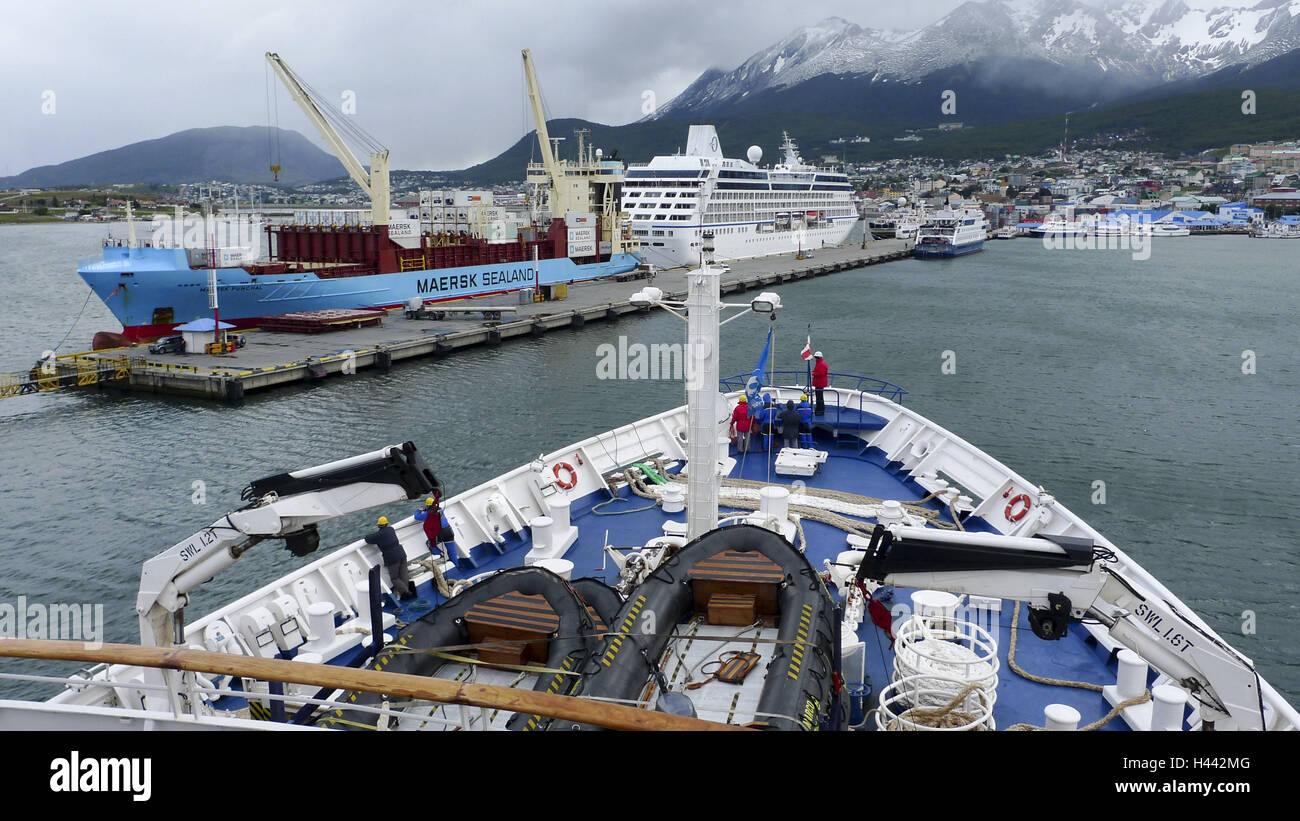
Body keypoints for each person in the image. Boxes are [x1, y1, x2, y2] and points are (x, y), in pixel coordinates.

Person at [365, 515, 415, 601]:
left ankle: (406, 593)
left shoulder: (378, 535)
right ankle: (406, 592)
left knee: (394, 578)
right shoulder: (391, 529)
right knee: (404, 574)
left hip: (392, 558)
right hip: (401, 554)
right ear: (387, 523)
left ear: (378, 525)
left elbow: (368, 539)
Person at [419, 495, 449, 562]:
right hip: (447, 530)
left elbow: (417, 516)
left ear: (428, 505)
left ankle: (440, 557)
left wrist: (419, 510)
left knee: (430, 543)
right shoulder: (440, 510)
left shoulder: (427, 514)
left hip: (439, 533)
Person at [812, 351, 830, 416]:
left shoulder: (821, 364)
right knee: (819, 396)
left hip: (820, 383)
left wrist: (813, 373)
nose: (815, 359)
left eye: (816, 357)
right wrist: (814, 372)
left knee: (819, 397)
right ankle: (820, 409)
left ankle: (820, 410)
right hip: (820, 383)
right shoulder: (820, 363)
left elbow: (821, 373)